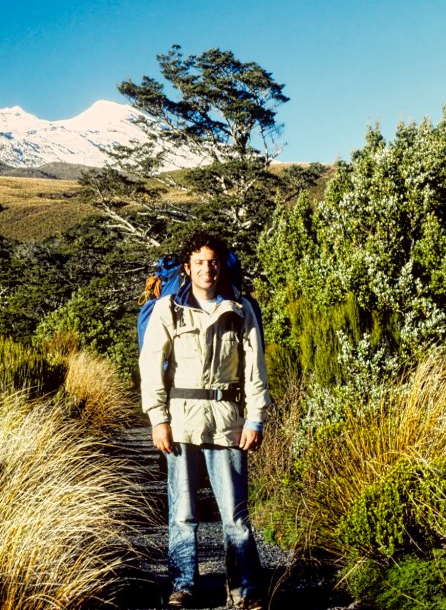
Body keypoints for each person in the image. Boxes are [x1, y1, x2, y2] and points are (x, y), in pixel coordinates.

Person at [139, 231, 272, 610]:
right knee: (183, 514)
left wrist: (256, 418)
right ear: (188, 268)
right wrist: (157, 419)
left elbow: (254, 371)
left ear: (221, 266)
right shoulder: (169, 309)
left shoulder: (241, 309)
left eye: (212, 262)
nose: (206, 269)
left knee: (235, 515)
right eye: (199, 262)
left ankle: (245, 590)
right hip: (180, 424)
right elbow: (151, 367)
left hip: (228, 423)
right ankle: (183, 587)